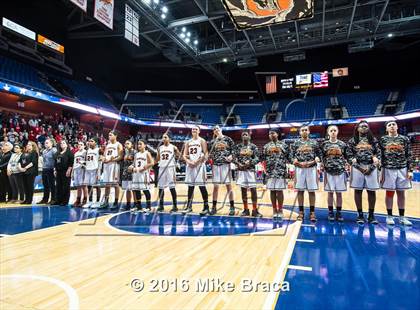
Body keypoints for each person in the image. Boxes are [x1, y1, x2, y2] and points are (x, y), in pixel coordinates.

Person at [380, 121, 414, 226]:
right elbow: (380, 155)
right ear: (386, 129)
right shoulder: (383, 140)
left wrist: (410, 170)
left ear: (397, 126)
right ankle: (389, 216)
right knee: (389, 193)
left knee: (401, 193)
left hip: (402, 169)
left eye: (393, 124)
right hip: (388, 169)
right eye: (389, 125)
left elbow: (409, 154)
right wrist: (380, 171)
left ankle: (402, 217)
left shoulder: (404, 139)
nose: (392, 126)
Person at [347, 121, 381, 224]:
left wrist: (372, 167)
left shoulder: (373, 140)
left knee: (371, 191)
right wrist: (359, 167)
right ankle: (360, 214)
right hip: (357, 168)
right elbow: (349, 155)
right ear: (357, 128)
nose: (364, 128)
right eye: (362, 126)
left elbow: (378, 153)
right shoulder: (352, 141)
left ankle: (371, 215)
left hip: (371, 168)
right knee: (358, 191)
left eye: (366, 126)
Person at [290, 125, 322, 222]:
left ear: (309, 132)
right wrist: (294, 159)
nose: (304, 131)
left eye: (306, 130)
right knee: (300, 191)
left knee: (311, 191)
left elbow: (319, 154)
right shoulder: (296, 143)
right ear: (300, 132)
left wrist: (317, 158)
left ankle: (312, 212)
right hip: (299, 168)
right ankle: (301, 212)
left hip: (311, 168)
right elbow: (291, 155)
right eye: (302, 130)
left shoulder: (314, 143)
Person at [321, 125, 349, 222]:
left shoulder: (342, 144)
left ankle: (339, 212)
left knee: (339, 194)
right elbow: (322, 156)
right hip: (328, 172)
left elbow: (347, 156)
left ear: (337, 132)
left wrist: (347, 164)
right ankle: (330, 212)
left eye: (335, 130)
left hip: (340, 171)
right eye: (331, 130)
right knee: (330, 193)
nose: (333, 132)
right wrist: (322, 164)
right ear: (328, 133)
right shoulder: (324, 144)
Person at [261, 129, 289, 221]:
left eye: (273, 133)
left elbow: (289, 157)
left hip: (280, 172)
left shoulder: (284, 145)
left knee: (279, 191)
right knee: (272, 191)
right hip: (270, 172)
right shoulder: (266, 146)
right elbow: (262, 158)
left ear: (277, 134)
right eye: (269, 133)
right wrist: (264, 169)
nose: (271, 135)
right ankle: (274, 210)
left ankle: (280, 210)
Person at [207, 125, 235, 216]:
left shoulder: (228, 139)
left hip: (225, 165)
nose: (216, 130)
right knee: (215, 187)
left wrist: (231, 156)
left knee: (228, 186)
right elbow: (209, 153)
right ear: (213, 132)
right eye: (214, 129)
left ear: (221, 129)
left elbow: (234, 150)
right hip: (215, 165)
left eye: (217, 128)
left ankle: (232, 207)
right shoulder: (212, 142)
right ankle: (214, 207)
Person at [182, 125, 209, 214]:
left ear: (199, 131)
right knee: (190, 187)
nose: (194, 130)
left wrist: (197, 162)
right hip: (190, 166)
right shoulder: (188, 142)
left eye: (196, 129)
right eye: (193, 129)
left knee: (202, 186)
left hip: (199, 166)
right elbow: (184, 155)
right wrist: (188, 161)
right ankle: (189, 207)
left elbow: (206, 154)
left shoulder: (202, 140)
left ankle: (206, 207)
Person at [234, 131, 261, 217]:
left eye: (246, 134)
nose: (245, 136)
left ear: (249, 136)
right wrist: (239, 164)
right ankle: (246, 209)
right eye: (243, 135)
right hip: (241, 171)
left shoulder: (253, 147)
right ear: (242, 137)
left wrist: (250, 163)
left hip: (250, 171)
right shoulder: (238, 146)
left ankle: (254, 210)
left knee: (253, 190)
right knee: (243, 190)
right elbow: (234, 157)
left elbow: (257, 158)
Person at [156, 133, 181, 213]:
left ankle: (175, 205)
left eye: (165, 137)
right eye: (163, 137)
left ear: (169, 138)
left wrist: (177, 153)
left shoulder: (173, 147)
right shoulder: (160, 148)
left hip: (170, 168)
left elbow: (179, 156)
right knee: (161, 187)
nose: (163, 139)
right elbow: (158, 158)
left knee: (172, 187)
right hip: (162, 168)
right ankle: (161, 205)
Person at [99, 131, 123, 209]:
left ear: (115, 136)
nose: (109, 136)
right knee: (107, 184)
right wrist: (103, 158)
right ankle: (106, 201)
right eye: (108, 135)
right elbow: (105, 155)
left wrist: (112, 160)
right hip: (107, 166)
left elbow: (121, 156)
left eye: (111, 135)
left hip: (114, 165)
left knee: (115, 184)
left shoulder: (119, 145)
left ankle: (116, 202)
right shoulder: (108, 145)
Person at [131, 140, 154, 212]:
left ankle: (148, 206)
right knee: (136, 189)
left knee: (145, 189)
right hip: (136, 173)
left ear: (145, 145)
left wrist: (144, 168)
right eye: (138, 144)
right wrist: (131, 167)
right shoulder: (136, 154)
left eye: (141, 144)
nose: (139, 146)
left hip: (144, 174)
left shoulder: (147, 153)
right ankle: (139, 206)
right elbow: (134, 164)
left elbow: (152, 163)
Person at [54, 140, 74, 206]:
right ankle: (58, 200)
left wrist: (69, 170)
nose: (62, 144)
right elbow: (55, 162)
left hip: (66, 171)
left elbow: (71, 162)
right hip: (58, 171)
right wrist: (55, 170)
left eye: (63, 143)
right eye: (61, 143)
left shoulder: (69, 153)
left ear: (66, 144)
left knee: (65, 186)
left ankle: (65, 201)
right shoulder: (58, 153)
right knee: (58, 186)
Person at [38, 138, 57, 204]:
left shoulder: (54, 150)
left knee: (52, 185)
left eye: (47, 143)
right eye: (45, 143)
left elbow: (56, 160)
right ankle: (45, 199)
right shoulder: (44, 151)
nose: (45, 144)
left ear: (51, 143)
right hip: (44, 169)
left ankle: (53, 199)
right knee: (45, 185)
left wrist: (55, 168)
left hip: (51, 169)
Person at [83, 137, 101, 205]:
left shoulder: (99, 150)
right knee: (89, 186)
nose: (90, 142)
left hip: (95, 169)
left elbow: (100, 161)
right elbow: (87, 160)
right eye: (89, 141)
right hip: (88, 170)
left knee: (97, 186)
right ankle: (90, 201)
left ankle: (98, 202)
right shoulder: (87, 150)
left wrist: (98, 171)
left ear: (95, 143)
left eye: (92, 141)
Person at [121, 140, 135, 210]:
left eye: (128, 143)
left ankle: (136, 204)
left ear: (132, 145)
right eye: (125, 143)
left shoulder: (134, 152)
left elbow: (137, 161)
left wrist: (132, 165)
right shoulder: (125, 152)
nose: (126, 145)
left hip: (132, 172)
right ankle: (128, 204)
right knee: (127, 189)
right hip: (125, 172)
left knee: (134, 189)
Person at [72, 141, 87, 207]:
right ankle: (78, 199)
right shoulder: (76, 153)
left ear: (84, 146)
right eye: (79, 144)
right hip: (76, 170)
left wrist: (84, 166)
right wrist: (72, 172)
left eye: (81, 144)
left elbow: (87, 161)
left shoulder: (85, 152)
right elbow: (74, 163)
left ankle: (85, 199)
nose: (80, 145)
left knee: (83, 185)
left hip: (82, 169)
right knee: (78, 186)